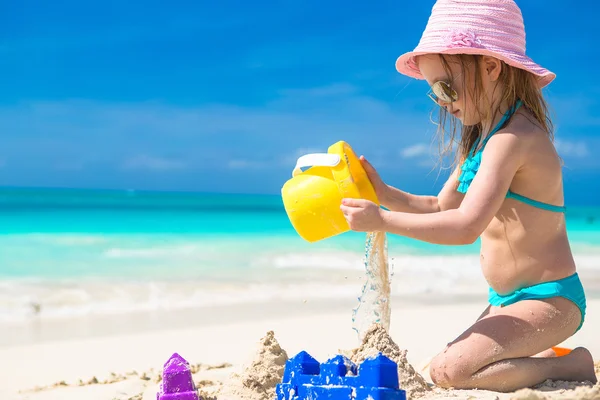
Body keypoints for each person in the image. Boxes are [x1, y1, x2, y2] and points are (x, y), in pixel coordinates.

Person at [339, 0, 597, 392]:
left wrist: (382, 220)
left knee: (452, 372)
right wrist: (384, 193)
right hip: (505, 299)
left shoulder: (516, 139)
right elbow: (441, 207)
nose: (443, 102)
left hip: (550, 301)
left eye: (445, 86)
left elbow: (464, 227)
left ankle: (572, 365)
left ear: (491, 67)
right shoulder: (481, 142)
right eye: (433, 94)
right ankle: (549, 360)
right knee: (441, 367)